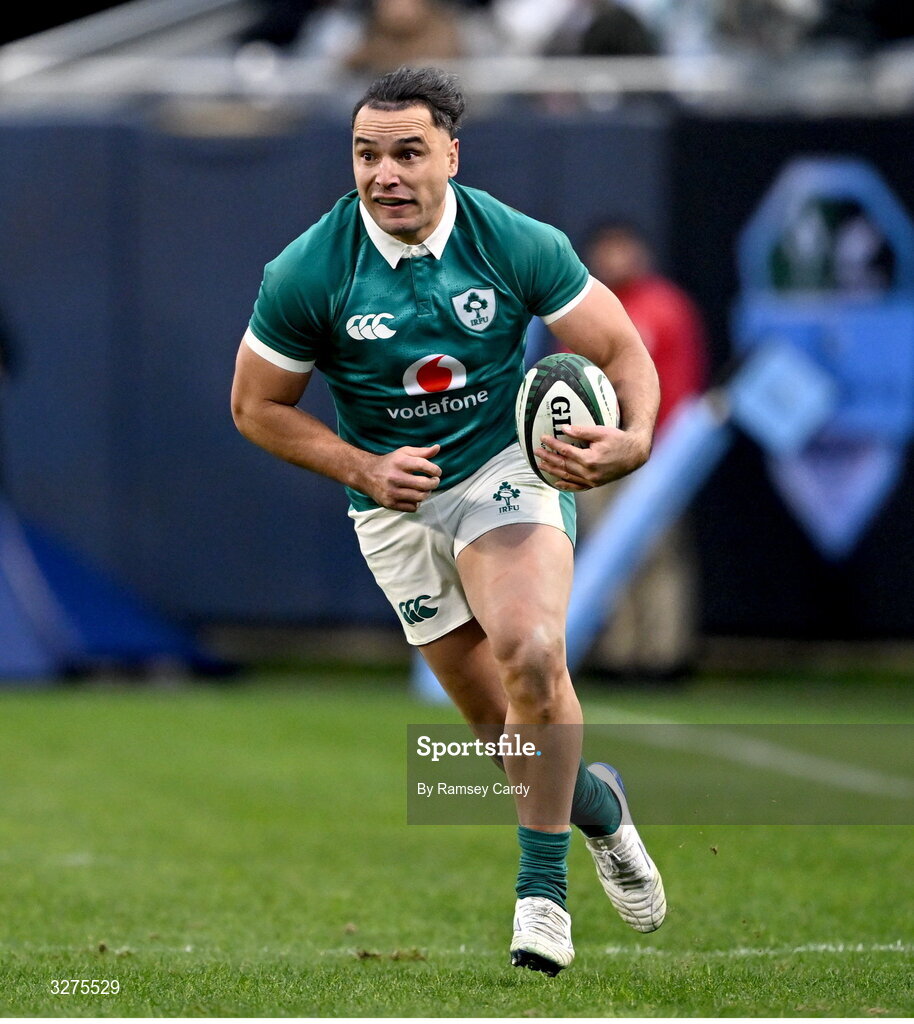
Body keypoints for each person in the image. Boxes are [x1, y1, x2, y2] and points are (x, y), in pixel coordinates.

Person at [231, 65, 665, 976]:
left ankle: (541, 900)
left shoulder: (512, 240)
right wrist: (361, 465)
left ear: (451, 157)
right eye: (366, 154)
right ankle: (601, 810)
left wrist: (634, 438)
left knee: (535, 654)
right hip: (390, 502)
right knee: (506, 735)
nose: (384, 174)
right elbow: (255, 406)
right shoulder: (310, 267)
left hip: (505, 467)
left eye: (407, 153)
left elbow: (621, 347)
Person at [571, 220, 709, 679]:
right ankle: (618, 654)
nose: (616, 259)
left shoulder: (665, 306)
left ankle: (665, 655)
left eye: (623, 248)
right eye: (606, 249)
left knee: (658, 553)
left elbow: (684, 383)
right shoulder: (582, 307)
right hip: (594, 449)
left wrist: (664, 448)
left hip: (652, 448)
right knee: (606, 551)